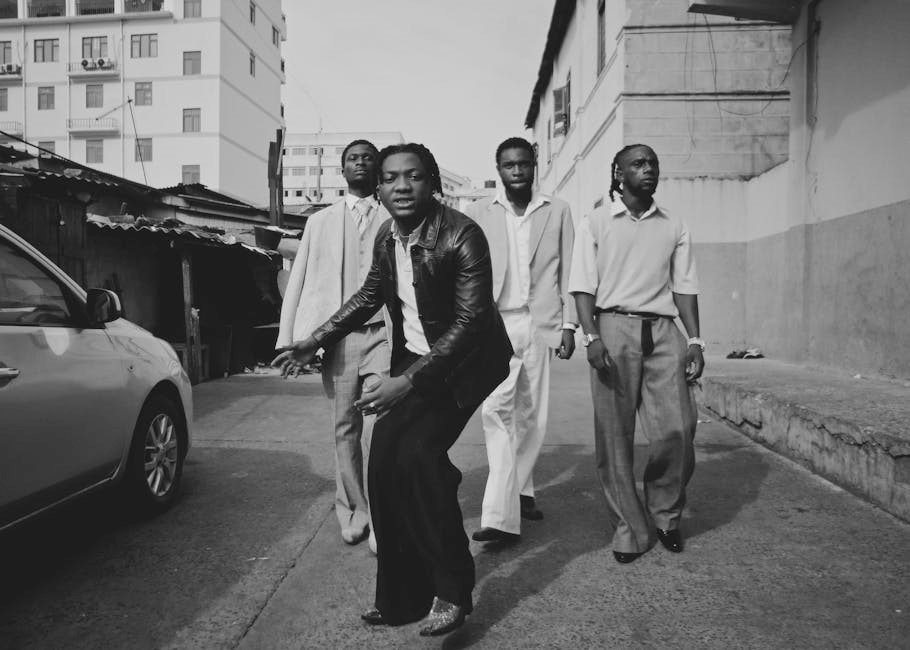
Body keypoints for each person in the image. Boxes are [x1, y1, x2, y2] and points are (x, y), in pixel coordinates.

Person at [273, 143, 512, 637]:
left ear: (433, 183)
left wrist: (405, 383)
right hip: (415, 357)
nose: (401, 186)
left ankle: (452, 588)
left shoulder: (463, 236)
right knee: (383, 465)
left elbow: (471, 322)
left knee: (420, 459)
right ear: (379, 188)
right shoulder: (388, 235)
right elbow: (368, 296)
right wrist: (315, 339)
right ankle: (402, 596)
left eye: (413, 176)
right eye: (390, 178)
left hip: (464, 364)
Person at [569, 144, 705, 564]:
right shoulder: (595, 222)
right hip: (613, 328)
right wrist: (591, 336)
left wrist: (696, 341)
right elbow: (582, 285)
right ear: (619, 172)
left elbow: (684, 286)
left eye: (653, 164)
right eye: (639, 164)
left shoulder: (673, 224)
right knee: (616, 436)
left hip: (663, 330)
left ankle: (665, 514)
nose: (648, 170)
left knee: (678, 428)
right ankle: (630, 528)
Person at [275, 140, 390, 550]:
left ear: (378, 168)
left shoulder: (393, 217)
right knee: (344, 427)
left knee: (380, 426)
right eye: (353, 158)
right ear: (342, 170)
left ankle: (383, 517)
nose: (360, 163)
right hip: (337, 337)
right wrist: (290, 339)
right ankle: (355, 512)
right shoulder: (321, 221)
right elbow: (300, 278)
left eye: (368, 158)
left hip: (384, 333)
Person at [465, 137, 576, 543]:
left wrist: (570, 325)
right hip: (495, 324)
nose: (517, 171)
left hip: (540, 322)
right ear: (499, 170)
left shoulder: (558, 210)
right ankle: (500, 515)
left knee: (531, 415)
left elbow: (569, 270)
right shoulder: (479, 212)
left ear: (534, 166)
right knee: (496, 410)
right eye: (509, 165)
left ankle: (522, 491)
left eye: (523, 164)